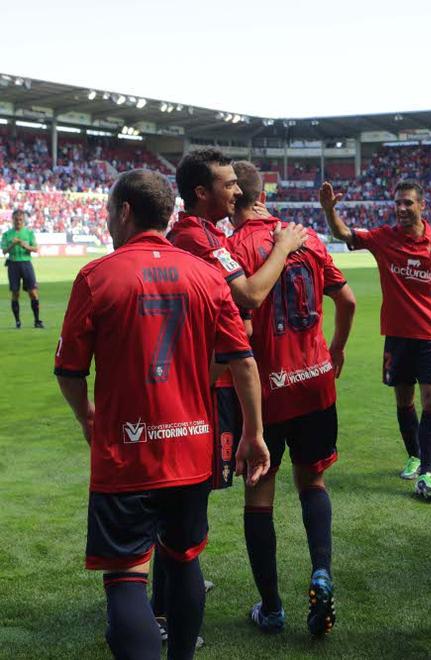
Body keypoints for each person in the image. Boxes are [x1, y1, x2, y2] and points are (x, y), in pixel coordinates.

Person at [54, 169, 270, 660]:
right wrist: (252, 433)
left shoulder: (97, 276)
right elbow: (243, 361)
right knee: (184, 560)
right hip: (191, 450)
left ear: (126, 211)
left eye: (110, 211)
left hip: (127, 452)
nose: (108, 220)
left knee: (127, 578)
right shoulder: (206, 275)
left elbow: (69, 371)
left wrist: (89, 418)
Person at [157, 148, 306, 635]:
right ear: (202, 193)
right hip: (197, 383)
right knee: (186, 493)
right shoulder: (194, 236)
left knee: (196, 489)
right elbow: (250, 295)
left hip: (209, 377)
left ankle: (175, 584)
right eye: (228, 185)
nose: (238, 192)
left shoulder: (210, 232)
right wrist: (282, 246)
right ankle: (167, 605)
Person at [228, 160, 356, 637]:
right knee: (313, 483)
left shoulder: (231, 247)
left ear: (232, 197)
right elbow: (347, 301)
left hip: (266, 390)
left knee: (258, 494)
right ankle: (321, 572)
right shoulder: (306, 236)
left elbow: (240, 322)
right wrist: (336, 349)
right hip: (316, 380)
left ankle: (273, 607)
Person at [320, 179, 431, 501]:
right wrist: (329, 210)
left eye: (408, 203)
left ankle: (428, 473)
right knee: (404, 400)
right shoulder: (384, 238)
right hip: (398, 336)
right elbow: (343, 234)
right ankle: (415, 455)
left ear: (422, 206)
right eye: (398, 203)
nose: (402, 209)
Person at [2, 209, 43, 328]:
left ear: (23, 220)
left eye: (20, 219)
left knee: (33, 293)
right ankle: (18, 322)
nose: (18, 222)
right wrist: (13, 244)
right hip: (13, 264)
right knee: (15, 293)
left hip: (26, 264)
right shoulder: (7, 234)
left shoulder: (29, 233)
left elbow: (35, 249)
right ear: (12, 220)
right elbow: (4, 251)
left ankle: (37, 321)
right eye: (16, 219)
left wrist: (24, 245)